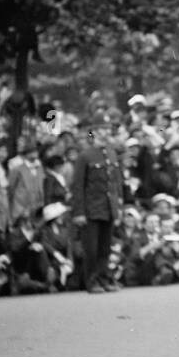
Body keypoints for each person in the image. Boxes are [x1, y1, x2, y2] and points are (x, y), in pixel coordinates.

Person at [70, 112, 124, 293]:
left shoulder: (112, 153)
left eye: (107, 129)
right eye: (101, 129)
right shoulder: (85, 156)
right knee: (91, 249)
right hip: (91, 208)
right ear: (93, 132)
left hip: (108, 207)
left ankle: (104, 278)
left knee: (105, 248)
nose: (105, 132)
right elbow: (78, 186)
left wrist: (118, 207)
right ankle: (92, 281)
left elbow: (116, 183)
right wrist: (79, 212)